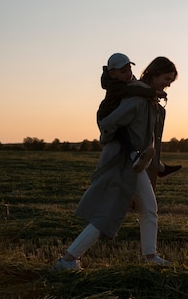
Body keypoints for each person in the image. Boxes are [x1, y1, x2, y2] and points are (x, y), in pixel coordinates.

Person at [54, 56, 179, 271]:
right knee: (110, 213)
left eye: (170, 81)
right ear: (153, 73)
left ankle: (150, 256)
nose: (167, 84)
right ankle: (67, 260)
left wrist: (156, 166)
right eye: (166, 79)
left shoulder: (153, 104)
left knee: (149, 208)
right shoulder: (137, 98)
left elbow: (152, 141)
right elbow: (108, 123)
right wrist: (122, 148)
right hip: (121, 163)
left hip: (137, 166)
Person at [97, 52, 167, 173]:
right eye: (123, 72)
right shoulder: (116, 86)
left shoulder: (127, 81)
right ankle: (134, 155)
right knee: (122, 133)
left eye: (129, 70)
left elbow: (136, 87)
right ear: (113, 74)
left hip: (114, 114)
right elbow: (134, 90)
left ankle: (142, 158)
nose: (128, 74)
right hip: (106, 115)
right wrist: (154, 93)